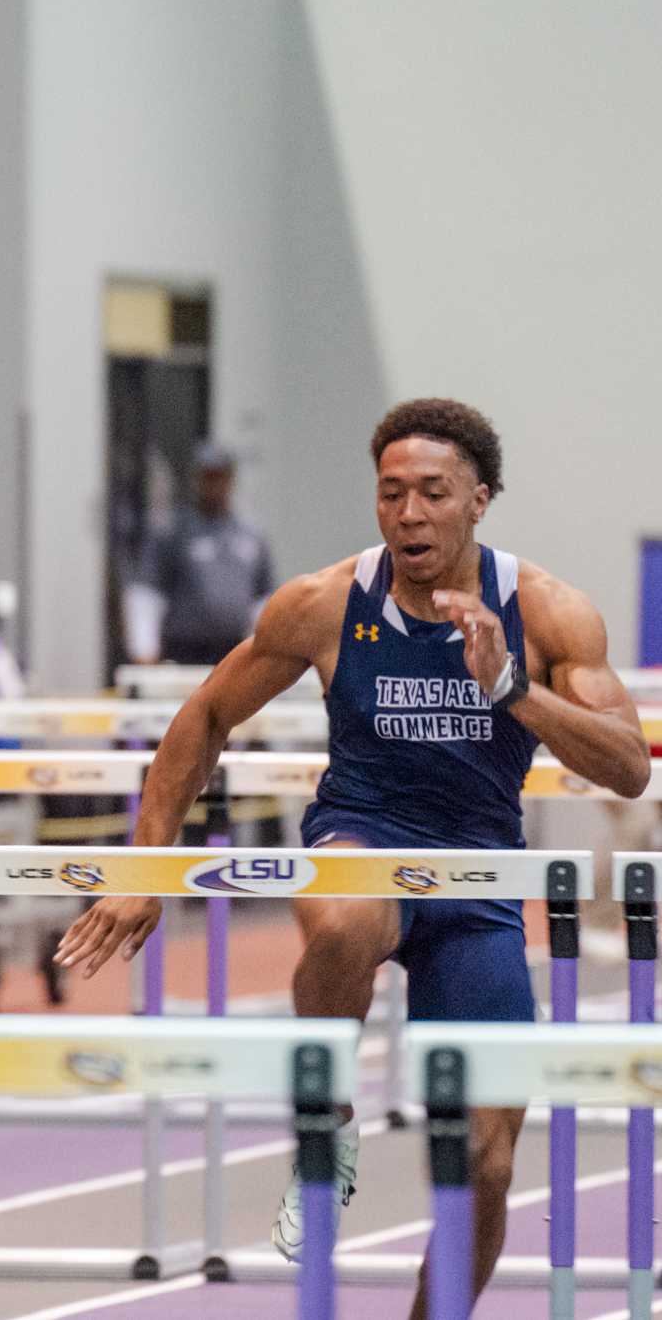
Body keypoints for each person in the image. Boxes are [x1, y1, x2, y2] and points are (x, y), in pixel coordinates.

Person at [55, 398, 652, 1313]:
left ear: (480, 499)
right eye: (390, 493)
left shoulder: (546, 609)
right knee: (344, 912)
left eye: (433, 493)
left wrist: (510, 686)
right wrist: (142, 872)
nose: (409, 514)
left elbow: (624, 768)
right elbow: (205, 715)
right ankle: (323, 1128)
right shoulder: (325, 601)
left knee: (488, 1164)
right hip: (363, 836)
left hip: (478, 881)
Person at [123, 441, 275, 667]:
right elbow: (147, 592)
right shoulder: (173, 532)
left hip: (234, 650)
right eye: (207, 476)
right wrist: (144, 648)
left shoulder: (250, 535)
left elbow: (264, 599)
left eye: (219, 476)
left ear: (230, 479)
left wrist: (266, 648)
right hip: (184, 650)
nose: (213, 484)